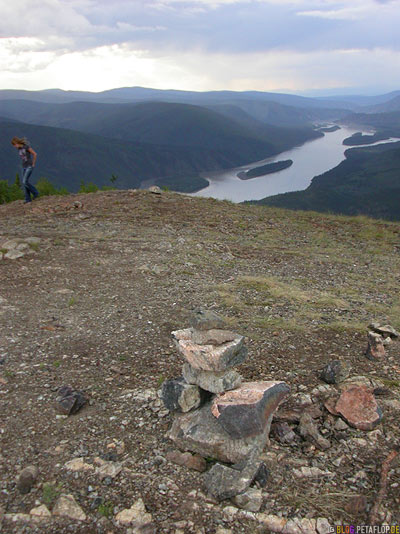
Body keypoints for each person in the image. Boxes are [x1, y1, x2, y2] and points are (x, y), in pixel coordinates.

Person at [11, 136, 39, 204]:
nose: (14, 146)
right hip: (24, 166)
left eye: (14, 145)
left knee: (24, 182)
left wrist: (33, 164)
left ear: (17, 143)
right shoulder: (19, 149)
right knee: (25, 183)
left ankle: (35, 192)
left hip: (29, 166)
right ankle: (28, 199)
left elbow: (35, 154)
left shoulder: (26, 147)